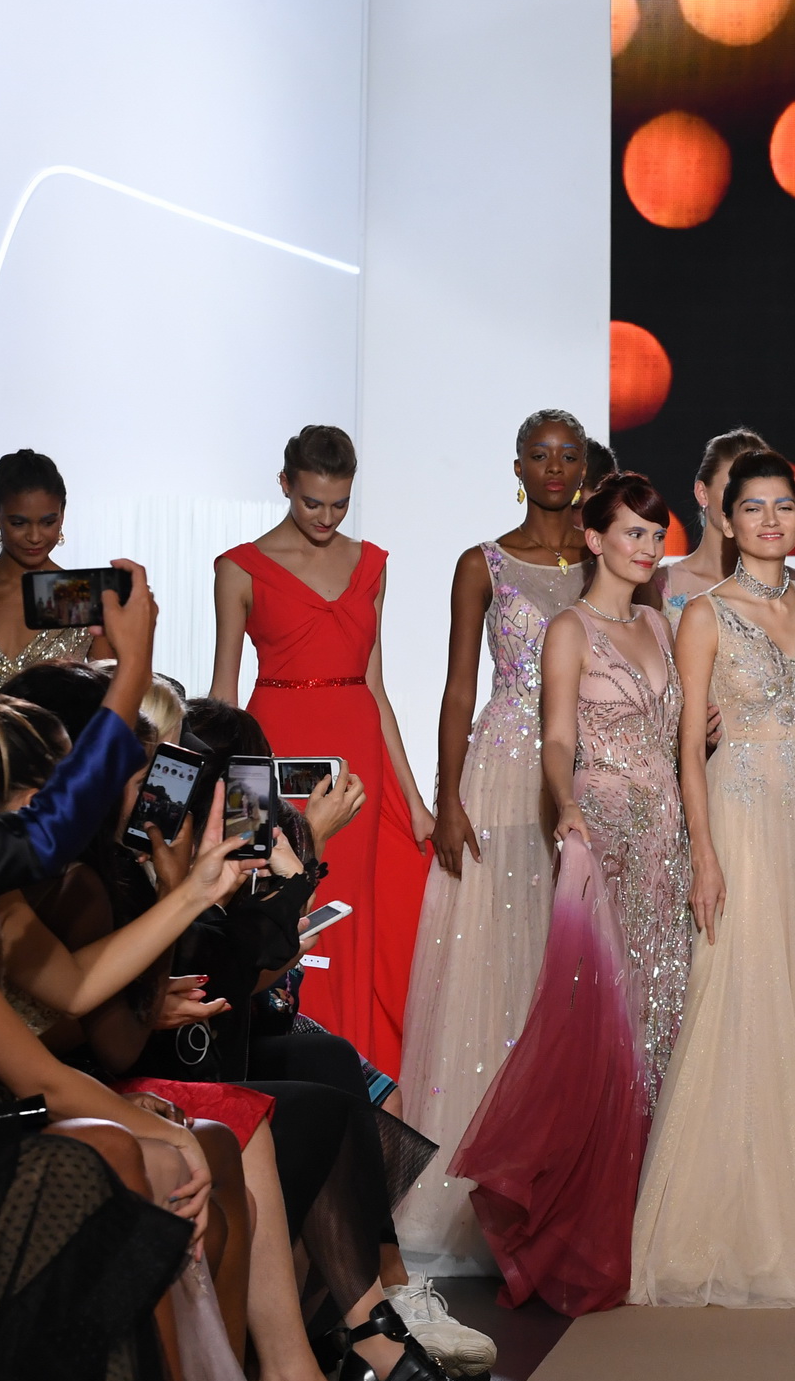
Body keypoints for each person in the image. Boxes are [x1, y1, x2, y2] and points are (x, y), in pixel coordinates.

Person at [632, 451, 795, 1308]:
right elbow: (687, 748)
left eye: (785, 506)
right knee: (744, 996)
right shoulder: (703, 615)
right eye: (755, 507)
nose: (773, 520)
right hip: (743, 819)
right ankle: (744, 1223)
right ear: (726, 518)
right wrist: (703, 855)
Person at [451, 472, 693, 1317]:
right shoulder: (569, 630)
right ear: (595, 540)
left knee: (662, 1024)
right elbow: (556, 739)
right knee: (601, 1033)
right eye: (632, 532)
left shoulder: (659, 625)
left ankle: (647, 1221)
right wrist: (566, 807)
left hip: (666, 844)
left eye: (655, 534)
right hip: (604, 837)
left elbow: (673, 734)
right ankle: (576, 1226)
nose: (647, 547)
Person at [394, 410, 587, 1270]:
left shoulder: (607, 559)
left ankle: (564, 1177)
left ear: (585, 468)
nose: (554, 468)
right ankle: (480, 1184)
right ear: (518, 467)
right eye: (539, 455)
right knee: (499, 966)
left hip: (587, 773)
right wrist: (447, 799)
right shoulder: (483, 563)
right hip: (503, 775)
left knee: (565, 969)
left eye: (568, 455)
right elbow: (457, 688)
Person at [212, 425, 433, 1076]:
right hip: (272, 750)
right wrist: (222, 799)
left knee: (350, 915)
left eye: (339, 504)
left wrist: (414, 801)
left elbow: (375, 688)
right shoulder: (239, 568)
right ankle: (279, 1065)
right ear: (285, 485)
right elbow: (224, 694)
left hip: (355, 756)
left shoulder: (371, 565)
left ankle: (353, 1071)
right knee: (275, 895)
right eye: (312, 502)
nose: (326, 517)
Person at [0, 450, 111, 688]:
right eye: (19, 523)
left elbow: (111, 698)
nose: (34, 537)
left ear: (62, 515)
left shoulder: (82, 596)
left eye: (47, 522)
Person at [656, 427, 767, 624]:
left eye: (758, 493)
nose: (745, 502)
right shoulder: (659, 584)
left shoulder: (791, 587)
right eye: (732, 489)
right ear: (702, 493)